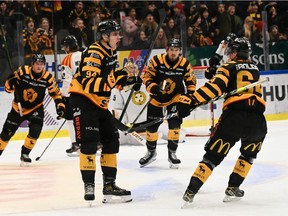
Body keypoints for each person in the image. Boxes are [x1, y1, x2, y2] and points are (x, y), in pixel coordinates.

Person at [177, 38, 267, 203]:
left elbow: (214, 88)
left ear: (234, 53)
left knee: (211, 157)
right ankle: (233, 187)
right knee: (248, 155)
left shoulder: (228, 66)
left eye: (229, 52)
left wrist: (191, 100)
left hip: (234, 117)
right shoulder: (255, 69)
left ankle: (191, 191)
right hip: (258, 121)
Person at [69, 20, 141, 203]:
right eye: (116, 34)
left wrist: (129, 81)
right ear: (105, 36)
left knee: (111, 141)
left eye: (119, 33)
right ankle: (89, 186)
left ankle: (109, 186)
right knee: (89, 143)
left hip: (99, 104)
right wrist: (118, 75)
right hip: (84, 100)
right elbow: (91, 84)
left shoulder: (110, 52)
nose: (119, 37)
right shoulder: (94, 52)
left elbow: (111, 82)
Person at [139, 38, 196, 169]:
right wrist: (153, 88)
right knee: (151, 127)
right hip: (157, 96)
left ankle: (172, 153)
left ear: (180, 51)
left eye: (176, 50)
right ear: (167, 49)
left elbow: (191, 82)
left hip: (176, 97)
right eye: (171, 50)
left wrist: (189, 99)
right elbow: (147, 77)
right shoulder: (157, 60)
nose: (173, 53)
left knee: (174, 126)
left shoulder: (184, 63)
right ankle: (151, 152)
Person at [0, 54, 65, 165]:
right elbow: (8, 90)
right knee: (6, 134)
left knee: (35, 131)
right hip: (18, 108)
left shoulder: (48, 77)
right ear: (32, 64)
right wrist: (10, 82)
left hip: (36, 108)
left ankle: (25, 153)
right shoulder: (23, 71)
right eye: (37, 64)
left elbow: (55, 93)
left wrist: (60, 106)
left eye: (41, 64)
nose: (39, 66)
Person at [60, 35, 82, 156]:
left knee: (70, 119)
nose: (64, 49)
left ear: (68, 47)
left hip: (74, 93)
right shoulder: (86, 54)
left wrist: (64, 96)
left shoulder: (67, 59)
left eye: (64, 47)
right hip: (89, 92)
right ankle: (96, 142)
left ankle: (75, 143)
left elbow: (67, 80)